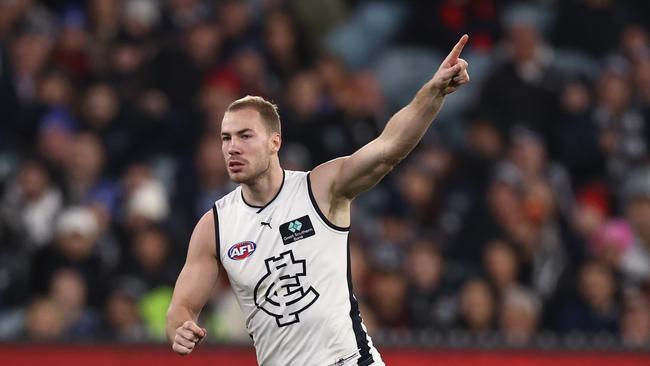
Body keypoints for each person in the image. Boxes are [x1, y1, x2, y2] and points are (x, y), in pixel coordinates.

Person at [166, 35, 470, 365]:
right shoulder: (216, 225)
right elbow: (180, 307)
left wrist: (434, 92)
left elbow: (388, 148)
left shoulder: (319, 189)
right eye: (225, 138)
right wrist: (180, 329)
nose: (232, 147)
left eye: (245, 135)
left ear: (274, 142)